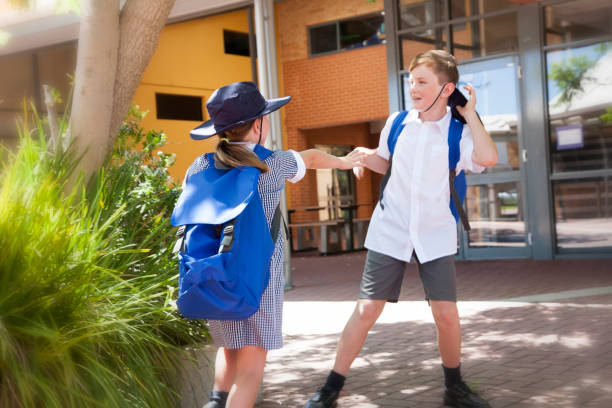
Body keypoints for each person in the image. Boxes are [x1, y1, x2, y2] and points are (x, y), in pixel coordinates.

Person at [304, 50, 498, 408]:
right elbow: (385, 160)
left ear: (446, 87)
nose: (414, 89)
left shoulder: (458, 132)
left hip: (434, 232)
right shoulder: (398, 122)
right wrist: (361, 156)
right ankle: (331, 387)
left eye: (423, 82)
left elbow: (487, 158)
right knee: (366, 310)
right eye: (411, 82)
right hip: (390, 227)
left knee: (446, 315)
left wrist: (470, 114)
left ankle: (454, 387)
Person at [184, 81, 364, 408]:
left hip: (215, 274)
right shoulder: (272, 164)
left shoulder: (200, 166)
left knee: (230, 348)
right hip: (259, 280)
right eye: (265, 117)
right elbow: (310, 158)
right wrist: (344, 162)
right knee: (251, 368)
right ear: (258, 125)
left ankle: (214, 401)